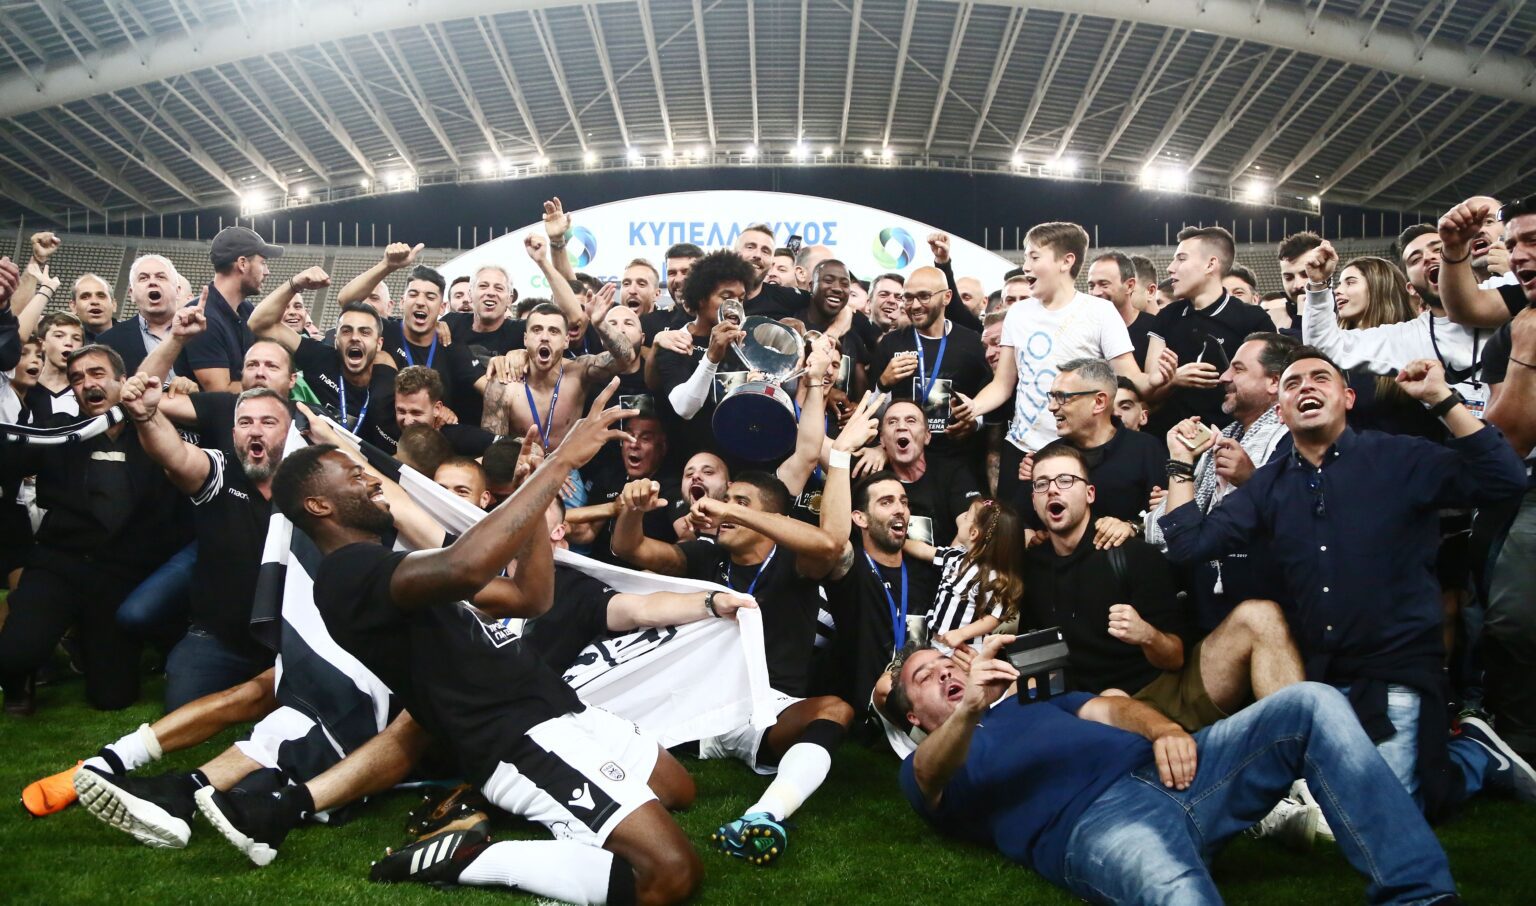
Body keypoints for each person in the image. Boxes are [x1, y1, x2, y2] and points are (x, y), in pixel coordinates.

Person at [271, 381, 702, 903]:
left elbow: (530, 597)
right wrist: (560, 462)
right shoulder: (346, 572)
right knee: (670, 874)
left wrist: (532, 496)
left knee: (679, 789)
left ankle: (562, 817)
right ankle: (470, 858)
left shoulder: (385, 563)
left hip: (553, 705)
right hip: (513, 738)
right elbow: (466, 565)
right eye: (355, 476)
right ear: (319, 504)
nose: (371, 481)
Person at [1159, 348, 1533, 816]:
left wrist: (1441, 398)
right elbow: (1188, 545)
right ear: (1281, 411)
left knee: (1386, 812)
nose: (1306, 387)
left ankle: (1473, 754)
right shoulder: (1269, 484)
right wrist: (1180, 464)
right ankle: (1448, 754)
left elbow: (1504, 479)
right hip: (1323, 679)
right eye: (1293, 383)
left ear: (1348, 398)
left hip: (1397, 671)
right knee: (1331, 805)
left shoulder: (1399, 457)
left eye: (1321, 378)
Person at [887, 636, 1461, 904]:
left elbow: (1112, 709)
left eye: (946, 663)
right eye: (924, 677)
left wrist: (1162, 729)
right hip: (1098, 826)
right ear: (914, 716)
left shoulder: (1031, 703)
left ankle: (1420, 896)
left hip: (1177, 770)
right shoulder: (927, 764)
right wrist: (969, 710)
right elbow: (931, 778)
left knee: (1311, 702)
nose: (944, 672)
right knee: (1180, 898)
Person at [609, 469, 852, 864]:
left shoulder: (794, 560)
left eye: (741, 502)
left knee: (834, 710)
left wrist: (731, 511)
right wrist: (632, 510)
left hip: (766, 710)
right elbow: (629, 548)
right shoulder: (708, 555)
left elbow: (829, 545)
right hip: (697, 707)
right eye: (726, 500)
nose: (724, 510)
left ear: (769, 518)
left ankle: (763, 814)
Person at [1023, 442, 1303, 730]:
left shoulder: (1131, 555)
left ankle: (1301, 742)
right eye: (1041, 484)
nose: (1053, 490)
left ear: (1089, 493)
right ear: (1033, 500)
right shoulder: (1031, 568)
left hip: (1170, 691)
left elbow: (1175, 657)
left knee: (1261, 616)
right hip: (1102, 709)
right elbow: (1037, 664)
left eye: (1065, 480)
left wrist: (1146, 635)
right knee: (1109, 700)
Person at [0, 345, 190, 713]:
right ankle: (22, 677)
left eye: (97, 373)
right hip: (59, 564)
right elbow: (9, 460)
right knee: (15, 654)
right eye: (76, 378)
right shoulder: (59, 430)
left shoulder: (155, 434)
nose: (87, 383)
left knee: (113, 698)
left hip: (119, 573)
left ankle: (82, 643)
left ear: (123, 380)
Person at [960, 222, 1172, 509]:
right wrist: (973, 406)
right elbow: (1003, 383)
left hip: (1079, 453)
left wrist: (1155, 380)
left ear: (1066, 261)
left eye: (1034, 257)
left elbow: (1130, 376)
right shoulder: (1017, 314)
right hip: (1022, 450)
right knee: (1017, 531)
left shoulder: (1100, 312)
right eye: (1026, 257)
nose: (1025, 266)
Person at [119, 375, 289, 708]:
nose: (255, 431)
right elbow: (177, 456)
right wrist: (146, 416)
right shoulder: (220, 469)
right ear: (234, 434)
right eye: (245, 423)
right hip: (219, 636)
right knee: (181, 706)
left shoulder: (309, 480)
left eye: (268, 422)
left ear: (289, 432)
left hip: (288, 637)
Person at [1146, 333, 1296, 634]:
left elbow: (1298, 521)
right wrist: (1181, 459)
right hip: (1209, 611)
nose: (1224, 377)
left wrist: (1251, 480)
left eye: (1238, 369)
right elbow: (1167, 534)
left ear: (1273, 382)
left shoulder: (1292, 442)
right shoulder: (1222, 439)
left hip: (1274, 610)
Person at [247, 270, 400, 451]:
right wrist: (295, 283)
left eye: (365, 332)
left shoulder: (390, 382)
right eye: (346, 331)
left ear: (379, 343)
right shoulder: (319, 357)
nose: (354, 338)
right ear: (335, 339)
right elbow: (258, 323)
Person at [1144, 226, 1275, 436]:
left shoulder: (1253, 319)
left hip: (1234, 439)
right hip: (1172, 438)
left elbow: (1270, 387)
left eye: (1181, 259)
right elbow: (1150, 391)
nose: (1170, 268)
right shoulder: (1166, 317)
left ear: (1210, 264)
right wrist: (1175, 379)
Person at [871, 266, 991, 469]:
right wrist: (883, 384)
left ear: (947, 297)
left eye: (924, 296)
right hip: (902, 460)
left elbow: (990, 403)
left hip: (956, 461)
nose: (915, 305)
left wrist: (974, 423)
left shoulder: (971, 343)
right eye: (908, 298)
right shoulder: (890, 344)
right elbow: (872, 414)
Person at [480, 301, 637, 452]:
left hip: (568, 466)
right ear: (525, 339)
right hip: (518, 465)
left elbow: (627, 357)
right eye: (537, 330)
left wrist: (601, 324)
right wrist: (520, 451)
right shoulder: (503, 385)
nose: (544, 337)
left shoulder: (580, 371)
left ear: (566, 340)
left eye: (554, 331)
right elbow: (492, 453)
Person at [1030, 358, 1164, 532]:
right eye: (1053, 396)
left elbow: (1164, 519)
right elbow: (1021, 519)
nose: (1052, 406)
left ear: (1099, 402)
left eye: (1062, 397)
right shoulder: (1049, 456)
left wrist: (1133, 527)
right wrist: (1031, 533)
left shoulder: (1147, 449)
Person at [902, 498, 1024, 649]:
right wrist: (900, 541)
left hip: (966, 647)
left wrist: (962, 634)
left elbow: (994, 617)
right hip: (938, 641)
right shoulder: (956, 556)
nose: (962, 520)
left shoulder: (991, 576)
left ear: (973, 533)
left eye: (966, 518)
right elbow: (924, 550)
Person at [185, 226, 284, 392]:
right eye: (263, 263)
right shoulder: (203, 317)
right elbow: (221, 392)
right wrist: (279, 384)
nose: (267, 272)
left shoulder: (246, 309)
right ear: (242, 263)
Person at [872, 399, 983, 546]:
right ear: (882, 440)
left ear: (927, 436)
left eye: (911, 420)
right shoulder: (873, 478)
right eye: (892, 422)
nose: (901, 427)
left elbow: (972, 532)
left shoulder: (952, 472)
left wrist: (944, 558)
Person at [99, 254, 186, 376]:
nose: (152, 282)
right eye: (143, 278)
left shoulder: (203, 332)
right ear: (132, 294)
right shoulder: (107, 342)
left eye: (161, 277)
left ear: (177, 291)